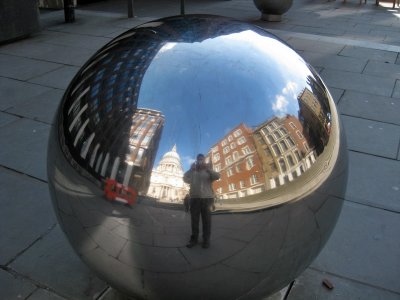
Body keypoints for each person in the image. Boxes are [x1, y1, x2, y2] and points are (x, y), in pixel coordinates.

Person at [183, 154, 220, 249]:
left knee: (207, 221)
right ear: (196, 160)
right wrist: (191, 169)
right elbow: (184, 178)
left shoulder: (208, 171)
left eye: (201, 159)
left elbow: (217, 176)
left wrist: (208, 169)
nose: (200, 161)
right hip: (194, 199)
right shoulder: (193, 171)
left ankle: (206, 240)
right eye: (198, 159)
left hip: (208, 199)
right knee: (194, 221)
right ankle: (194, 239)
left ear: (204, 160)